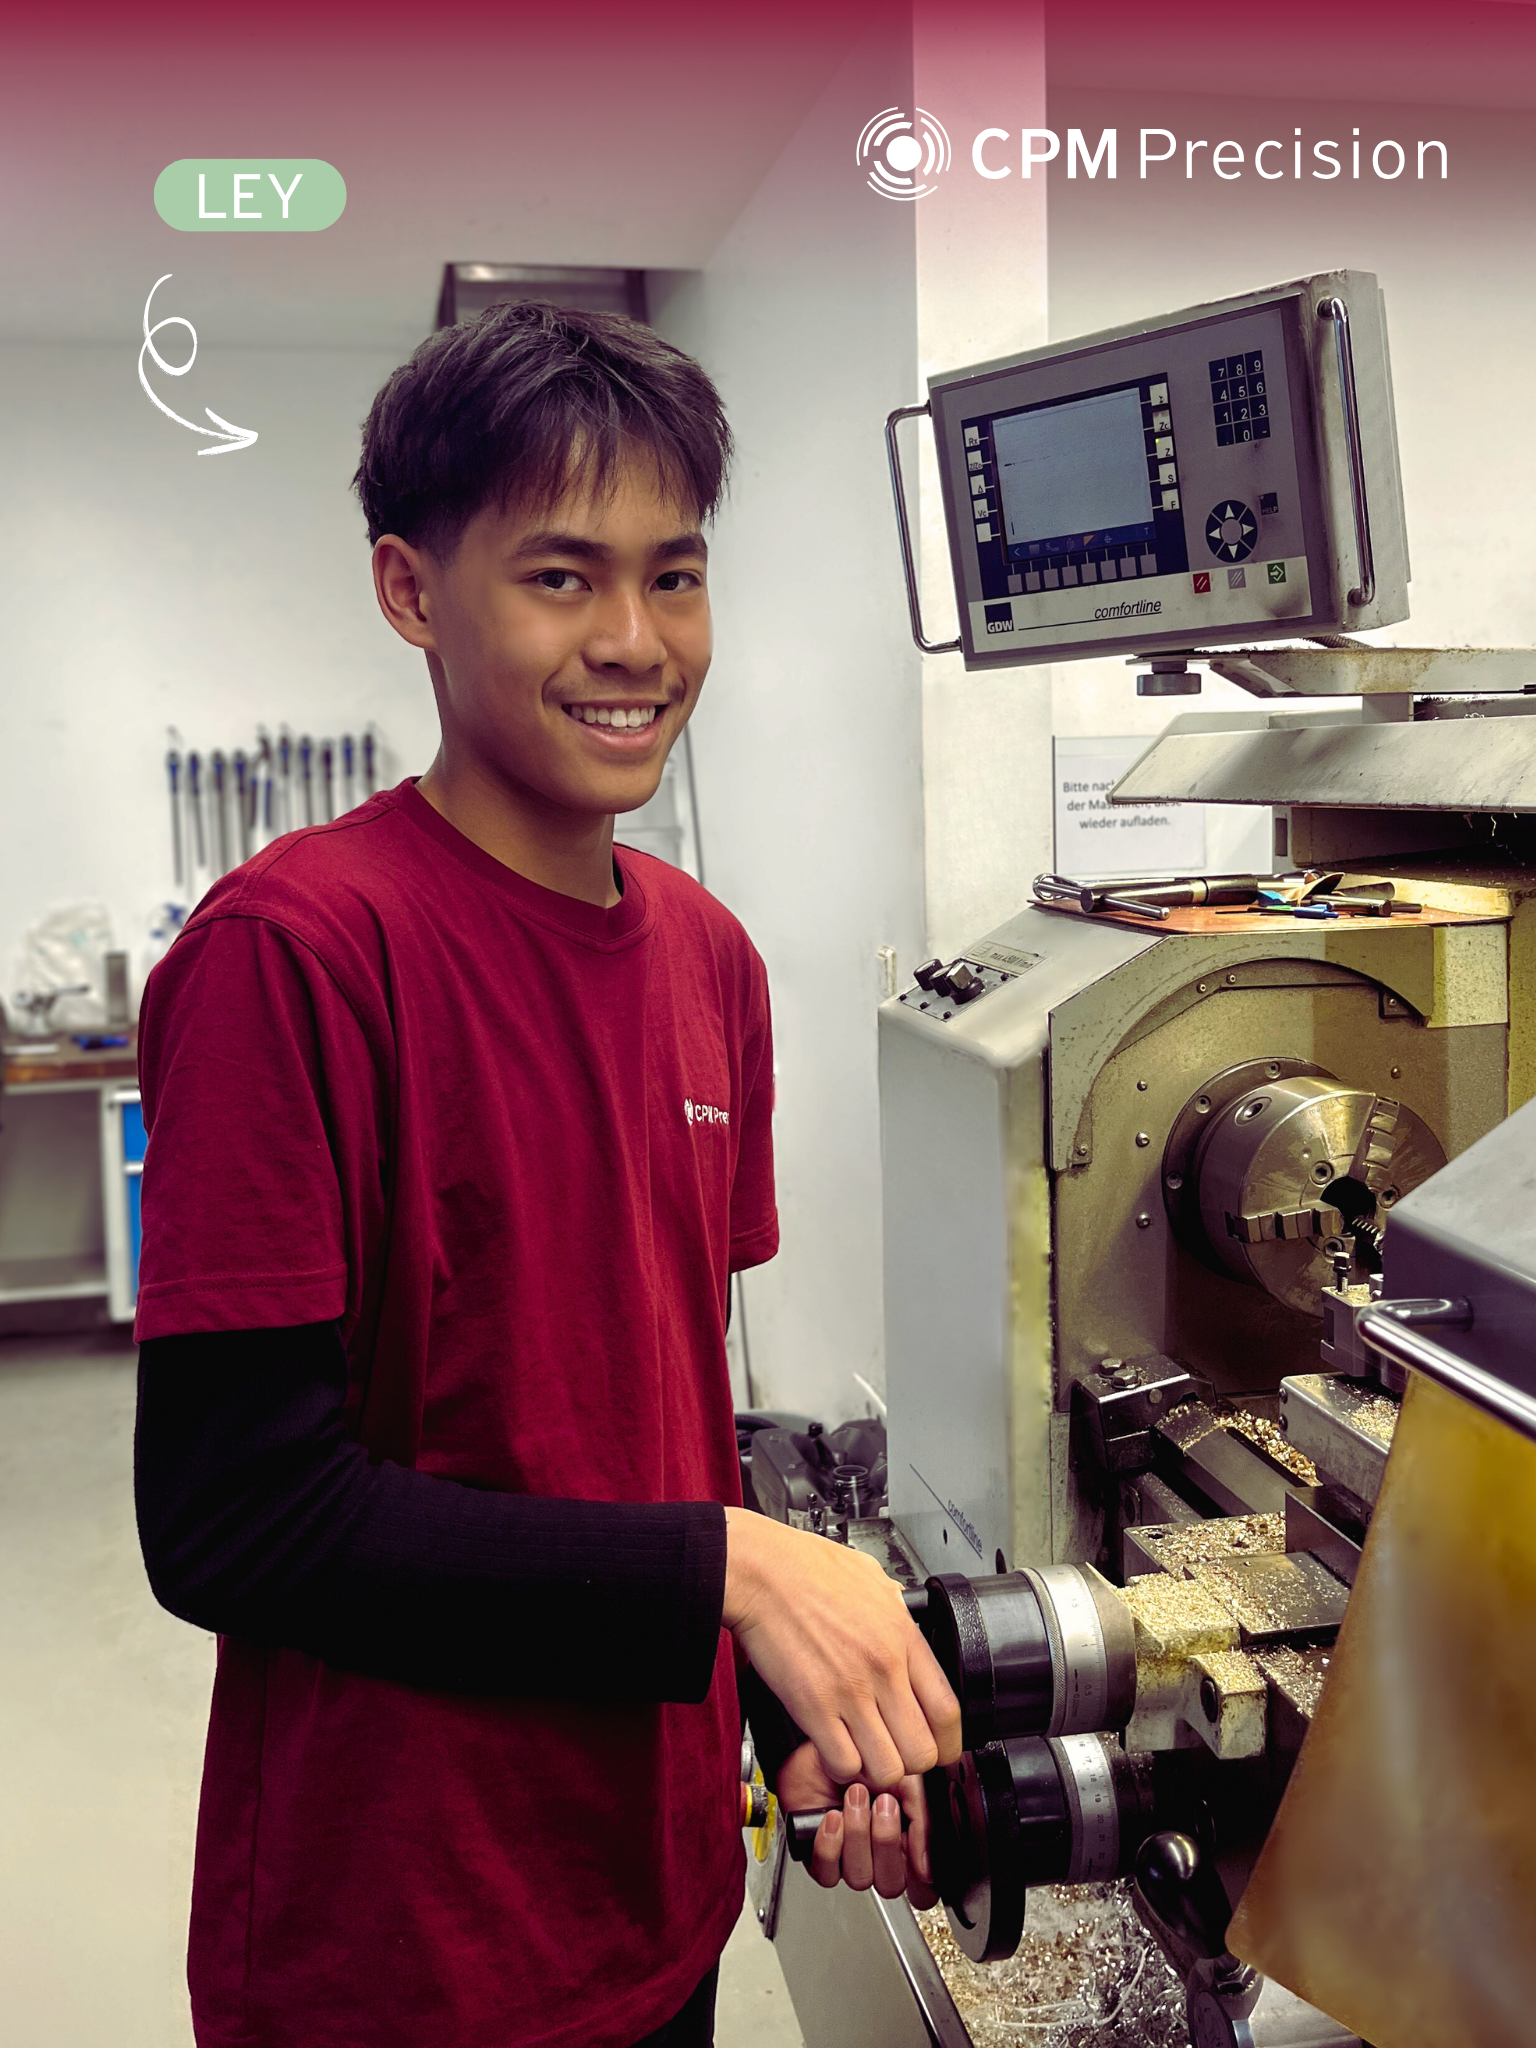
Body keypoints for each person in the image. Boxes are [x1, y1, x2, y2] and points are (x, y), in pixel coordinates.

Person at [133, 301, 961, 2048]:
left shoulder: (710, 961)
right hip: (401, 1947)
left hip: (653, 1903)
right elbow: (236, 1516)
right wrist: (731, 1574)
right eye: (563, 577)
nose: (636, 641)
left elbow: (651, 1427)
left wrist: (785, 1703)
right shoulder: (293, 954)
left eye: (675, 576)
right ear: (411, 593)